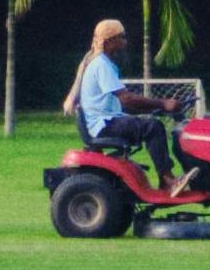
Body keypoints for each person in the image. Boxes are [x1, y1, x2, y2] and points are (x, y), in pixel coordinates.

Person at [68, 18, 182, 184]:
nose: (125, 41)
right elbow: (126, 99)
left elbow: (122, 104)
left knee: (150, 122)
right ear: (110, 40)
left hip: (106, 121)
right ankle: (167, 178)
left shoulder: (102, 63)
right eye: (122, 37)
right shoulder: (101, 65)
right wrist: (163, 103)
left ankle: (166, 178)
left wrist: (155, 109)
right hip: (104, 125)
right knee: (153, 127)